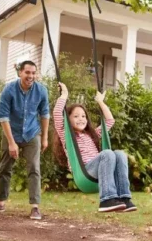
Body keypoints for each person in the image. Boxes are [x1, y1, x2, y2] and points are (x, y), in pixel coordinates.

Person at [53, 82, 137, 213]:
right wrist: (64, 95)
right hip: (84, 173)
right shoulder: (67, 135)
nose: (81, 119)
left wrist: (100, 102)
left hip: (102, 170)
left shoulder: (91, 134)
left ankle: (124, 198)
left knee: (120, 153)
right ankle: (106, 200)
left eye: (83, 116)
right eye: (75, 116)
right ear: (68, 120)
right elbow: (57, 115)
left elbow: (110, 121)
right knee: (108, 153)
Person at [0, 60, 50, 220]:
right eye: (27, 72)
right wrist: (12, 142)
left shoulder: (41, 90)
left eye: (34, 73)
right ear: (20, 72)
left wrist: (45, 137)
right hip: (11, 132)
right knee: (5, 167)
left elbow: (45, 114)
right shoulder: (9, 90)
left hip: (32, 133)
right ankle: (0, 203)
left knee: (34, 168)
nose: (31, 76)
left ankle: (35, 207)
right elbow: (3, 117)